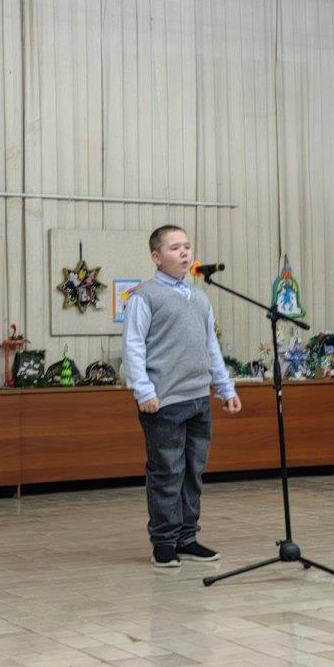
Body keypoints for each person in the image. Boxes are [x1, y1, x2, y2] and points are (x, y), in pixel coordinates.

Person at [122, 225, 242, 568]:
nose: (184, 252)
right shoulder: (144, 297)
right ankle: (164, 542)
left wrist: (225, 388)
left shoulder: (200, 297)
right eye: (174, 248)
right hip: (163, 402)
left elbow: (211, 346)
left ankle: (187, 538)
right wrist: (144, 391)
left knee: (193, 472)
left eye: (187, 246)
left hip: (198, 399)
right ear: (156, 257)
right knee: (167, 472)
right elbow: (133, 346)